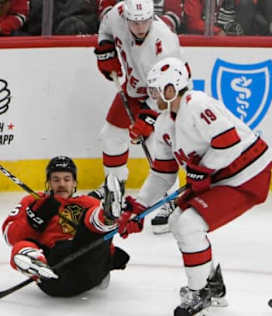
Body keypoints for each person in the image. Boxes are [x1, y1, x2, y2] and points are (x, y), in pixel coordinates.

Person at [116, 57, 272, 316]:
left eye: (156, 90)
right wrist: (138, 208)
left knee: (189, 224)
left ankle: (200, 294)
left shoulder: (197, 104)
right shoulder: (166, 122)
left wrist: (202, 171)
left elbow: (229, 142)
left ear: (171, 88)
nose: (152, 95)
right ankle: (213, 287)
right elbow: (163, 173)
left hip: (247, 174)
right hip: (221, 176)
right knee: (178, 220)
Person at [92, 0, 183, 234]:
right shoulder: (117, 14)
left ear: (152, 16)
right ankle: (115, 189)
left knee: (156, 146)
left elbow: (169, 88)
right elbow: (105, 30)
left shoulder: (164, 43)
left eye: (145, 22)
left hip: (164, 96)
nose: (140, 27)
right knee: (111, 136)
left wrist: (149, 118)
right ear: (126, 18)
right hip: (133, 89)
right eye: (135, 22)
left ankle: (171, 201)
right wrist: (105, 50)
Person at [2, 156, 129, 297]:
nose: (61, 184)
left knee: (91, 220)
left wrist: (111, 258)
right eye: (56, 179)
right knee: (22, 245)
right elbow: (9, 236)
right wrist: (33, 222)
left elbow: (105, 240)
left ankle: (106, 217)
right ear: (48, 182)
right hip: (55, 271)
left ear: (74, 182)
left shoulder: (88, 202)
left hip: (87, 262)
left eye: (67, 179)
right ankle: (36, 264)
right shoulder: (34, 200)